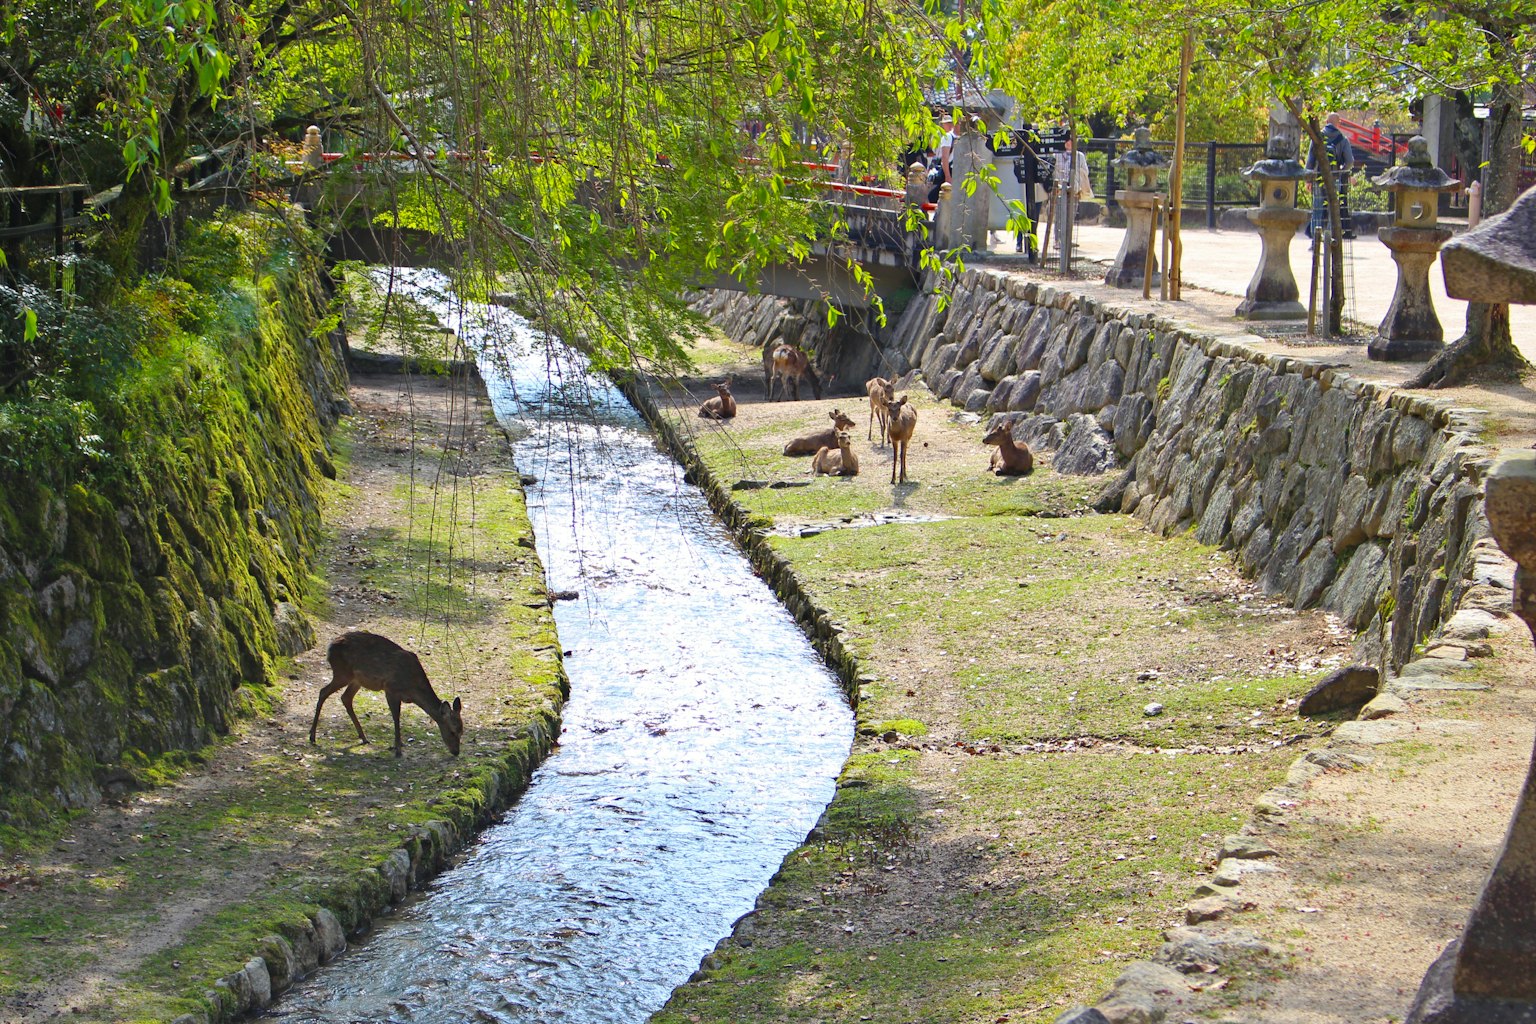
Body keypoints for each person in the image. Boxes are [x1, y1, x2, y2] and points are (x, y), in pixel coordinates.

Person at [1307, 112, 1356, 240]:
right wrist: (1341, 171)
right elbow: (1350, 161)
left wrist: (1308, 179)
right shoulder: (1343, 139)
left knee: (1318, 208)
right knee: (1332, 209)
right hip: (1335, 178)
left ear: (1326, 122)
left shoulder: (1317, 137)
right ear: (1338, 123)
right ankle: (1330, 240)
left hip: (1318, 177)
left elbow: (1310, 160)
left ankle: (1315, 241)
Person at [1010, 123, 1043, 260]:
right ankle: (1020, 242)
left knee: (1034, 216)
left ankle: (1032, 244)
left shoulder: (1040, 147)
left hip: (1038, 187)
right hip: (1021, 187)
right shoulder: (1017, 148)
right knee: (1021, 215)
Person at [928, 113, 955, 203]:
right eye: (946, 123)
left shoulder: (951, 136)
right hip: (938, 162)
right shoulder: (939, 135)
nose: (948, 125)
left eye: (950, 123)